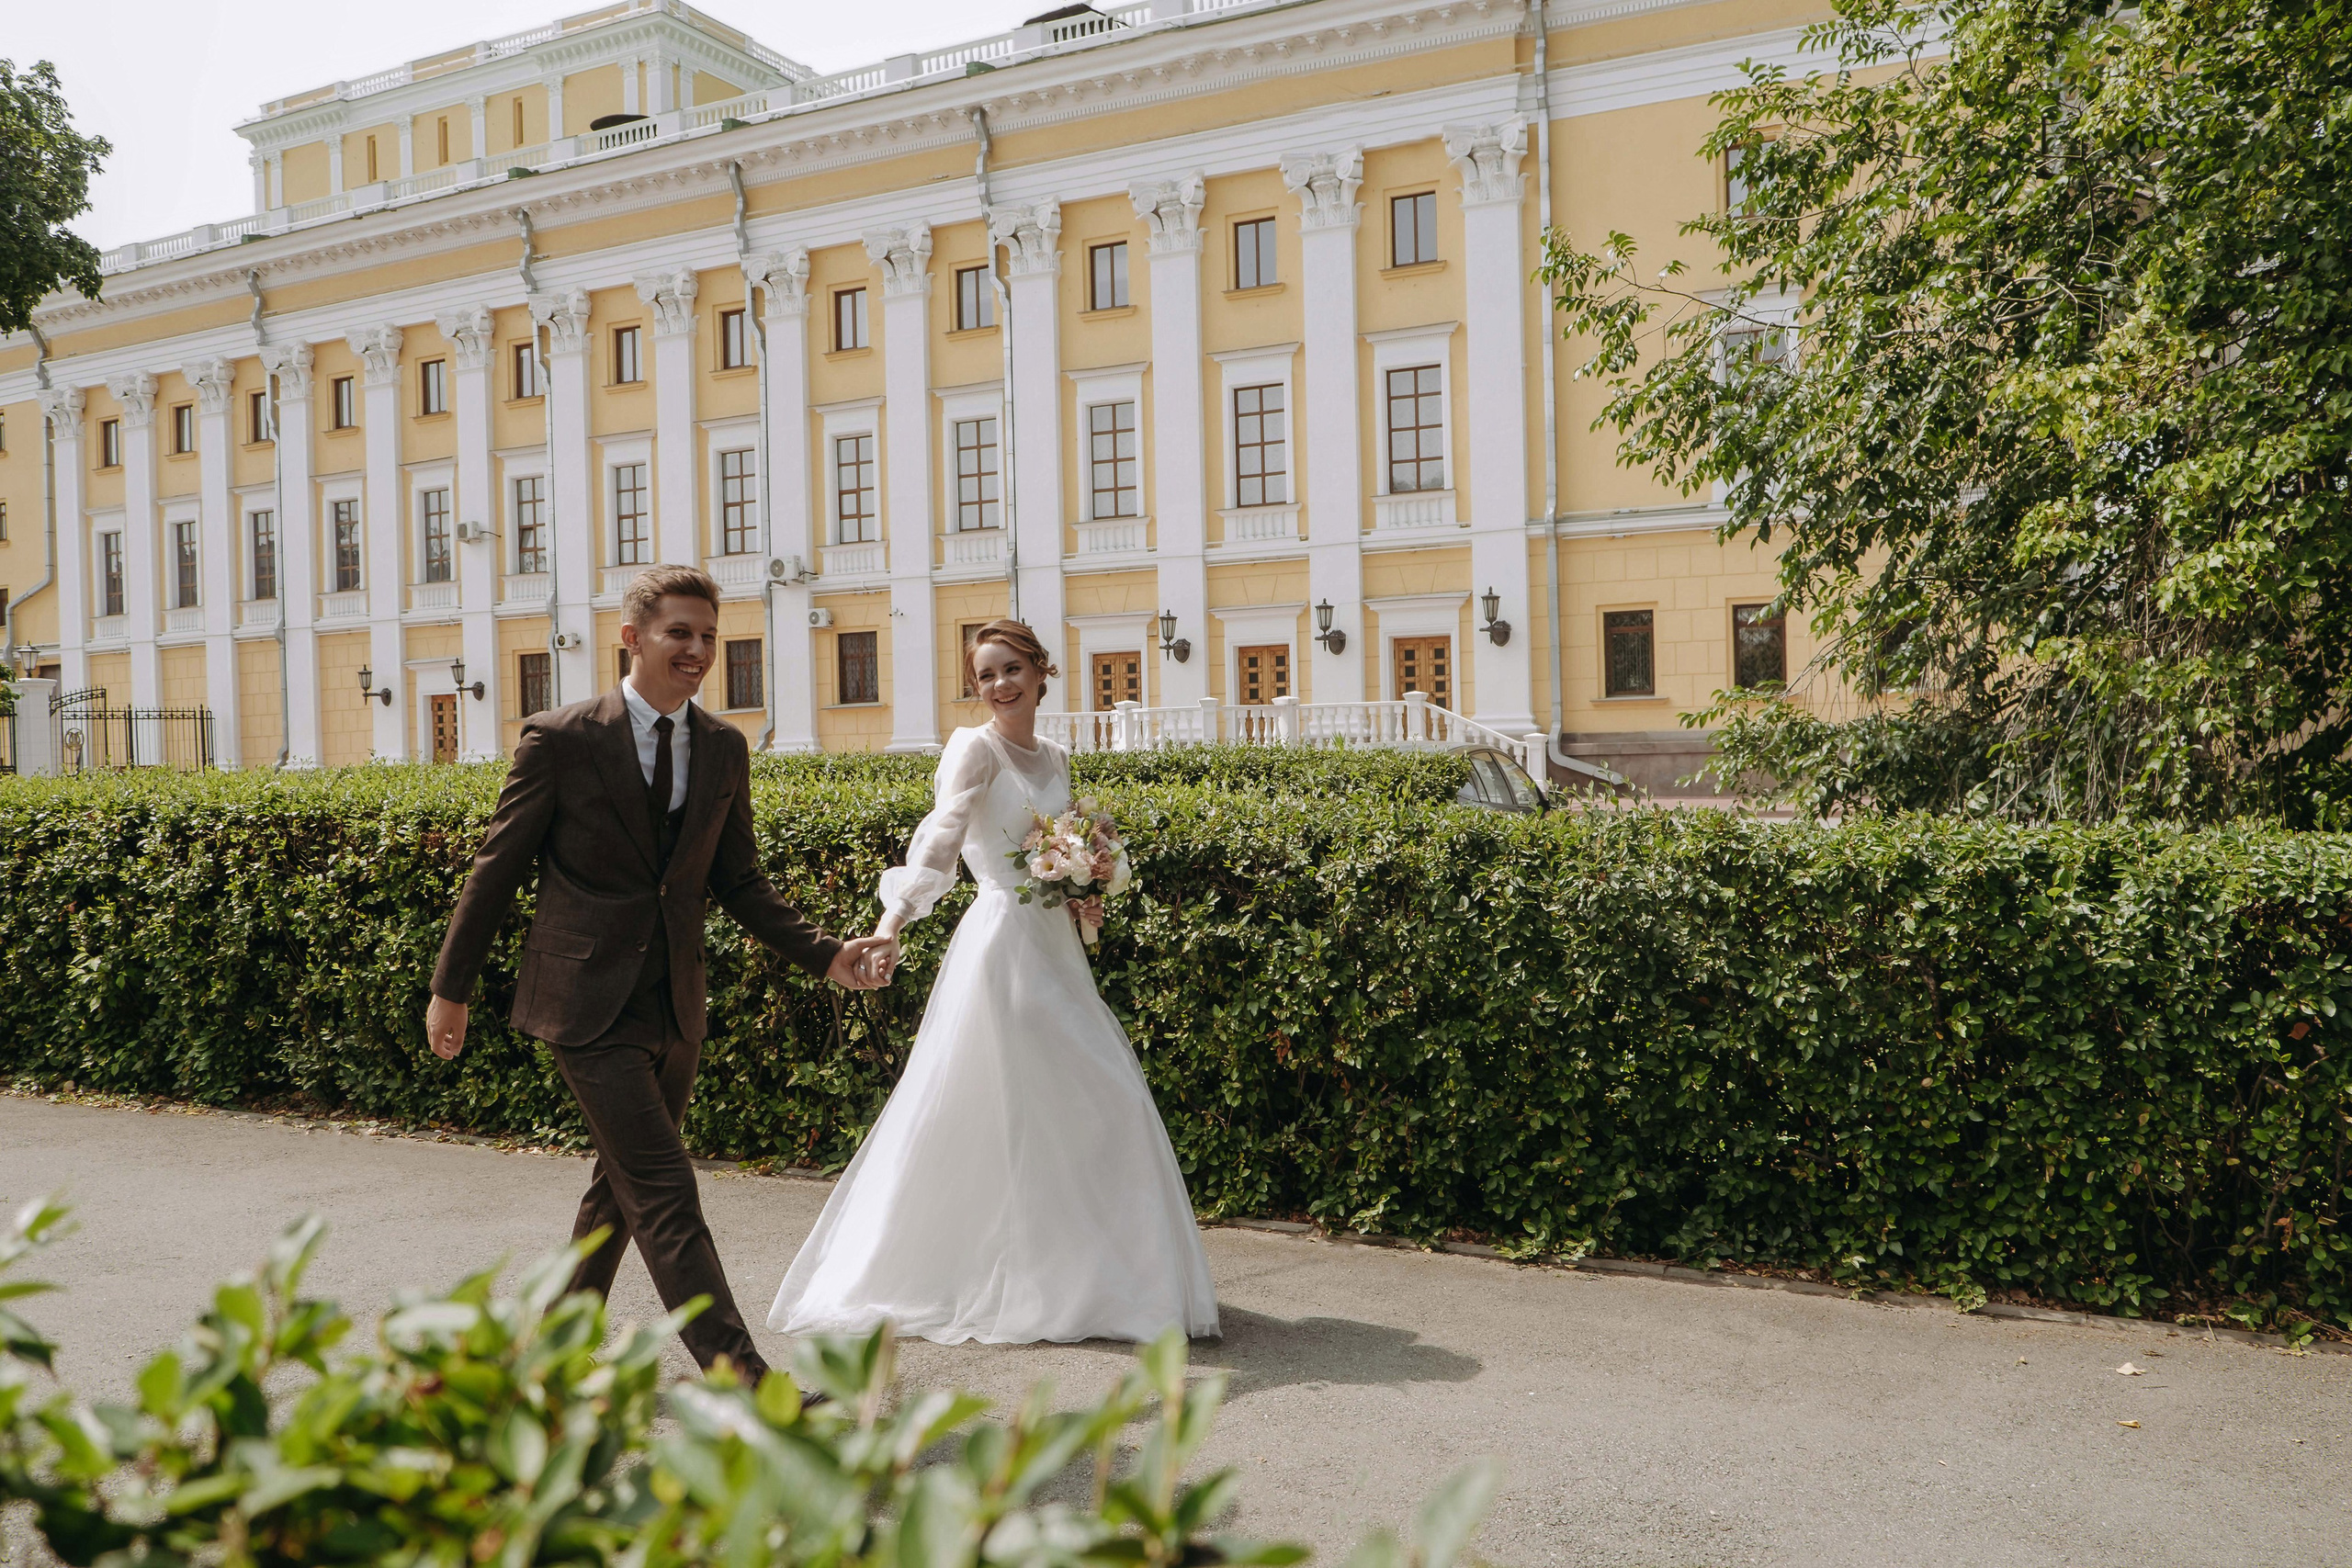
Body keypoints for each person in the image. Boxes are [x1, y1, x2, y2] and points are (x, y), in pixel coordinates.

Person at [424, 564, 895, 1384]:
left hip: (676, 1008)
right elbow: (496, 870)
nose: (699, 650)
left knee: (618, 1193)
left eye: (710, 635)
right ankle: (748, 1382)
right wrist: (450, 988)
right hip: (584, 1006)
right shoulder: (561, 738)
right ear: (631, 636)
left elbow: (739, 882)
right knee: (667, 1192)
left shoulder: (721, 747)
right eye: (681, 632)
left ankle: (545, 1366)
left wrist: (828, 953)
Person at [768, 618, 1219, 1345]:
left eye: (1012, 668)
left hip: (1052, 944)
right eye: (986, 676)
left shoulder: (1058, 754)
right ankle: (986, 1276)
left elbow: (1055, 844)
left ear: (1041, 671)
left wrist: (1084, 885)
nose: (1000, 684)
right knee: (1014, 1108)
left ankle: (1088, 1276)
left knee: (1088, 1103)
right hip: (1001, 944)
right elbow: (942, 837)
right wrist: (892, 922)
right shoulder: (973, 748)